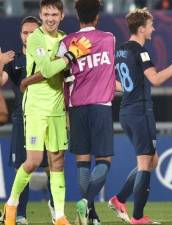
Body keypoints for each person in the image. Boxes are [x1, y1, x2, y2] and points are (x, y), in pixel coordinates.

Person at [3, 0, 91, 224]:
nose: (50, 18)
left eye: (54, 14)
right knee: (33, 161)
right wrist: (70, 57)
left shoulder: (65, 39)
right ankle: (12, 205)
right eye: (46, 14)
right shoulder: (35, 38)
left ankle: (60, 215)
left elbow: (68, 73)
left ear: (62, 15)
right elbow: (47, 69)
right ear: (41, 15)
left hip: (57, 109)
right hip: (35, 108)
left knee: (57, 162)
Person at [107, 8, 172, 224]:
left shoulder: (121, 51)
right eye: (150, 25)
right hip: (140, 112)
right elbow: (155, 79)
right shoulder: (140, 51)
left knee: (152, 160)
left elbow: (117, 84)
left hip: (126, 111)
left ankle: (119, 199)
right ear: (141, 29)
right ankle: (138, 217)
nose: (153, 28)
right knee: (146, 162)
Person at [53, 0, 114, 224]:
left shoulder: (66, 42)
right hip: (100, 106)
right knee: (104, 160)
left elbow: (60, 75)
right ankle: (87, 202)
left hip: (76, 108)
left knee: (82, 162)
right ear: (97, 16)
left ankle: (90, 214)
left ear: (77, 16)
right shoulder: (109, 39)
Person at [0, 16, 56, 225]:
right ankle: (19, 214)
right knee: (21, 168)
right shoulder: (13, 61)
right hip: (21, 120)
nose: (29, 36)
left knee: (52, 166)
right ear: (20, 35)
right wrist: (0, 63)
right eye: (25, 32)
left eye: (33, 32)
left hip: (46, 118)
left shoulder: (48, 59)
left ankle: (55, 211)